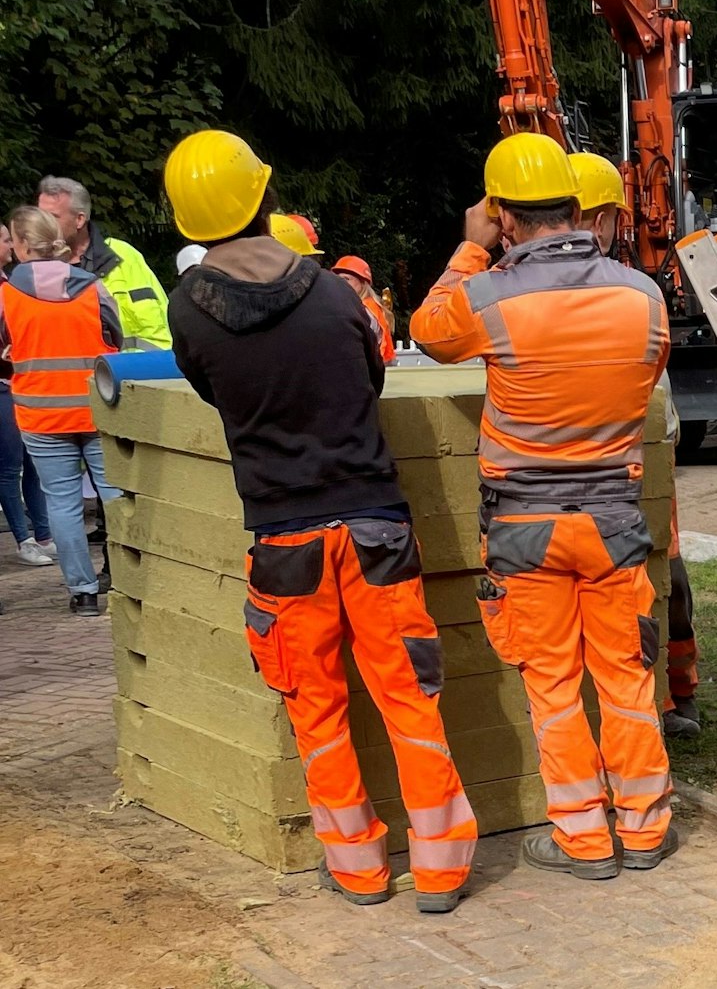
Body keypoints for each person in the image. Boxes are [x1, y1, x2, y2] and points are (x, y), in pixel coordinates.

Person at [161, 129, 478, 912]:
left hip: (283, 542)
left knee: (318, 709)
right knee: (409, 698)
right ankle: (440, 870)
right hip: (374, 527)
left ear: (189, 222)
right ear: (265, 199)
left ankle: (359, 869)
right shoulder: (336, 292)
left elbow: (210, 391)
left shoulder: (189, 314)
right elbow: (371, 376)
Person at [411, 132, 678, 878]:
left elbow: (428, 335)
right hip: (614, 519)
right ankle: (647, 830)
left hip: (524, 526)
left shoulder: (487, 295)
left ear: (501, 214)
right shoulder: (642, 294)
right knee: (625, 675)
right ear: (574, 205)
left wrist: (469, 251)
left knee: (552, 687)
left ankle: (584, 842)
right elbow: (645, 373)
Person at [568, 149, 701, 739]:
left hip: (552, 495)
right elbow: (659, 396)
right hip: (629, 476)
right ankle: (670, 701)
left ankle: (673, 696)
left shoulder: (507, 295)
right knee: (658, 587)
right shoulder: (637, 293)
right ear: (602, 220)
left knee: (659, 591)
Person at [0, 206, 120, 611]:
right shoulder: (94, 288)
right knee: (115, 496)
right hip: (97, 409)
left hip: (41, 414)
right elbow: (115, 342)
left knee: (63, 504)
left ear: (19, 246)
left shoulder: (6, 297)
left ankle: (83, 593)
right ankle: (128, 578)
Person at [36, 176, 172, 349]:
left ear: (79, 219)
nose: (42, 225)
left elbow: (159, 327)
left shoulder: (122, 255)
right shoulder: (34, 269)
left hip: (129, 371)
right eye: (40, 216)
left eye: (52, 217)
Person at [0, 215, 57, 567]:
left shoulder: (12, 284)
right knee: (9, 466)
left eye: (10, 238)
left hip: (23, 381)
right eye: (4, 239)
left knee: (33, 463)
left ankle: (44, 534)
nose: (10, 244)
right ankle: (23, 538)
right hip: (4, 385)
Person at [330, 256, 397, 366]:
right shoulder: (359, 307)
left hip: (369, 370)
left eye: (346, 279)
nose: (341, 283)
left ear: (362, 283)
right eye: (338, 279)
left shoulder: (365, 311)